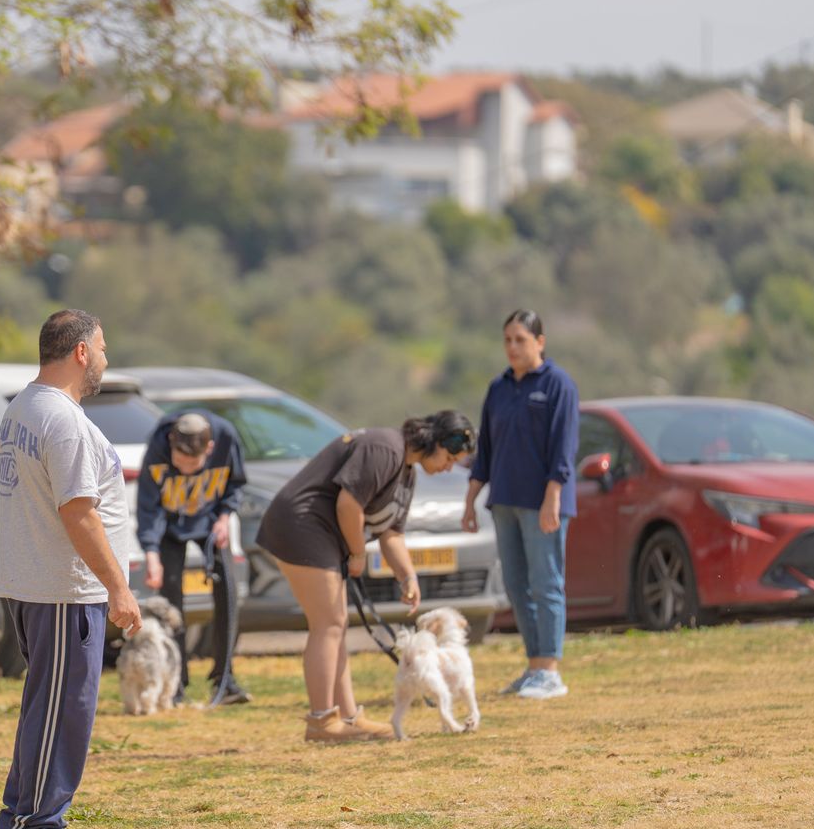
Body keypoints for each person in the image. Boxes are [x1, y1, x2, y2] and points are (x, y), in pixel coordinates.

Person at [0, 309, 143, 829]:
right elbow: (79, 514)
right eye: (102, 348)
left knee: (46, 708)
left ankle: (20, 819)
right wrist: (118, 589)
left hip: (36, 585)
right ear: (80, 352)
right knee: (63, 712)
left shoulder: (21, 410)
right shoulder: (63, 420)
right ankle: (35, 828)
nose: (105, 358)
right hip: (63, 589)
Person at [256, 411, 475, 744]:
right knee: (328, 623)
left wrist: (407, 576)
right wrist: (357, 552)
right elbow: (348, 504)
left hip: (322, 534)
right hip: (300, 526)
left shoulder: (406, 471)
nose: (449, 466)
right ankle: (321, 721)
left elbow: (391, 533)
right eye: (449, 457)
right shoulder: (384, 448)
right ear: (434, 441)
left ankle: (347, 718)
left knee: (336, 625)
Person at [463, 309, 579, 701]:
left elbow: (564, 447)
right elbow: (486, 451)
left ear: (540, 342)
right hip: (505, 501)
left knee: (546, 583)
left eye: (521, 340)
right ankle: (534, 668)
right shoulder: (498, 388)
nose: (513, 347)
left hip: (543, 502)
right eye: (507, 340)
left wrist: (553, 497)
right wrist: (470, 498)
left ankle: (551, 671)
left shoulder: (558, 384)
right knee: (516, 585)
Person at [137, 410, 250, 706]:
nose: (186, 472)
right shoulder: (158, 445)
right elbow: (148, 506)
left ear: (209, 450)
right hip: (170, 528)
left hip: (211, 522)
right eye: (180, 464)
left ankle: (225, 681)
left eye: (193, 465)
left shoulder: (226, 438)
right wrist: (151, 554)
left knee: (227, 591)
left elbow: (235, 483)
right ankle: (176, 685)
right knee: (172, 602)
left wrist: (225, 518)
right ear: (171, 443)